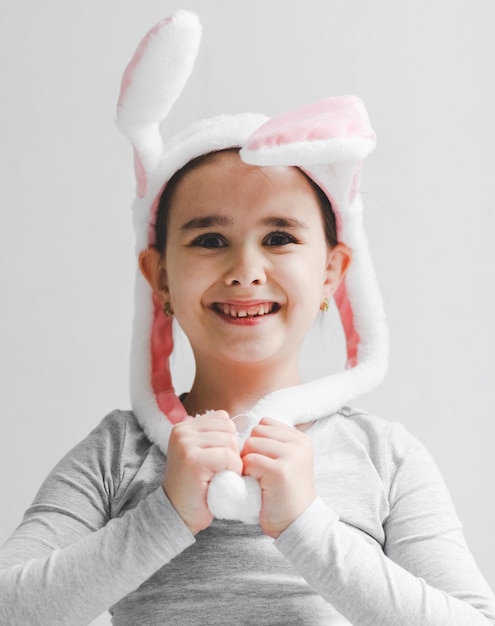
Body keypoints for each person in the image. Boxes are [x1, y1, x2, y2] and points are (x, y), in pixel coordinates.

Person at [1, 11, 494, 626]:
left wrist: (304, 525)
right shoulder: (116, 454)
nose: (246, 269)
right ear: (159, 279)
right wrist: (167, 514)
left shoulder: (384, 458)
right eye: (209, 240)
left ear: (332, 274)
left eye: (281, 237)